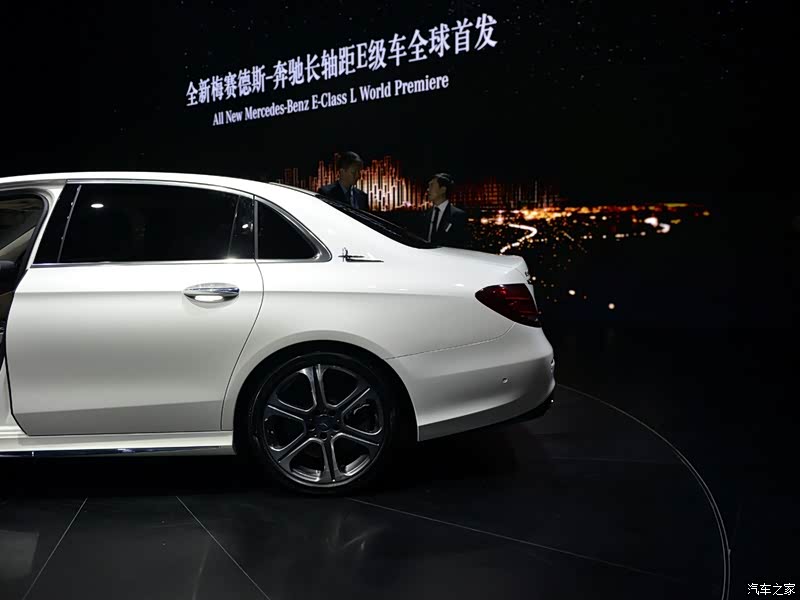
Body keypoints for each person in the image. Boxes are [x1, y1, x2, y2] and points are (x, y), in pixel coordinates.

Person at [421, 172, 467, 247]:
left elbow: (460, 244)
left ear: (443, 190)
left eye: (432, 185)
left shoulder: (458, 216)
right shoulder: (425, 214)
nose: (428, 189)